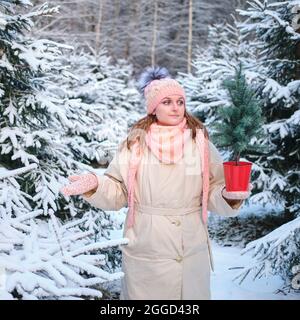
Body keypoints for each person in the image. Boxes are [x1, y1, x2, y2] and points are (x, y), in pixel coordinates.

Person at [60, 66, 253, 300]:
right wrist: (95, 185)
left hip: (191, 247)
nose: (175, 107)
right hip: (147, 245)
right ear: (153, 108)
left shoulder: (200, 143)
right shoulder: (136, 144)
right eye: (167, 102)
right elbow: (119, 190)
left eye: (180, 101)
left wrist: (227, 196)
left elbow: (214, 189)